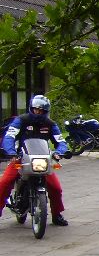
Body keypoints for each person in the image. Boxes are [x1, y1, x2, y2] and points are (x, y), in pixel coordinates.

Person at [0, 95, 69, 225]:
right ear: (31, 108)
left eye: (41, 110)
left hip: (43, 161)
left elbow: (61, 141)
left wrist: (59, 152)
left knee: (56, 188)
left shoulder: (50, 124)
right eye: (36, 109)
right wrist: (11, 152)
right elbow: (9, 136)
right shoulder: (21, 120)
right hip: (20, 159)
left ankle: (57, 214)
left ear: (46, 111)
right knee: (4, 182)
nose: (38, 112)